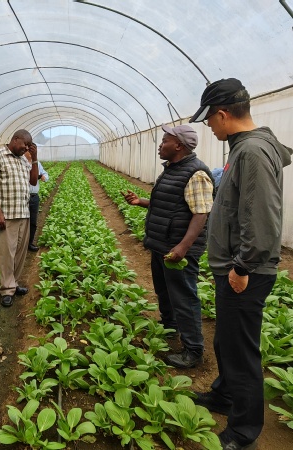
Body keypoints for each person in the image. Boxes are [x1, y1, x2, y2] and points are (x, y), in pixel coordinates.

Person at [189, 78, 292, 450]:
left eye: (209, 120)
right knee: (226, 342)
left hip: (246, 271)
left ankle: (243, 431)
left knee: (241, 351)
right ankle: (225, 395)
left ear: (222, 114)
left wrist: (242, 267)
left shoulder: (252, 151)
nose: (208, 127)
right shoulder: (243, 148)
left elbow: (261, 217)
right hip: (235, 267)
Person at [123, 124, 214, 369]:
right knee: (164, 291)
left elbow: (201, 213)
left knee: (184, 297)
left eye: (165, 141)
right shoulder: (172, 169)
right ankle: (170, 327)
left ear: (178, 145)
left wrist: (182, 247)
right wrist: (140, 201)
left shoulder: (196, 173)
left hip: (177, 248)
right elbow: (168, 203)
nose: (160, 145)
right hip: (162, 244)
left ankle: (193, 350)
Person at [0, 129, 39, 307]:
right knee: (6, 254)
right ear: (15, 139)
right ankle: (7, 289)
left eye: (29, 147)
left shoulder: (23, 160)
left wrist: (34, 158)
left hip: (24, 213)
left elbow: (33, 181)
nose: (26, 149)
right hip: (7, 215)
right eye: (25, 145)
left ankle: (14, 283)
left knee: (20, 253)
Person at [24, 146, 49, 252]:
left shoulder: (37, 164)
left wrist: (43, 177)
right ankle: (21, 244)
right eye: (28, 151)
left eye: (32, 151)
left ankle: (30, 243)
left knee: (33, 222)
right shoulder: (20, 163)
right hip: (23, 197)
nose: (30, 153)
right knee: (22, 222)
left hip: (34, 197)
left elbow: (45, 174)